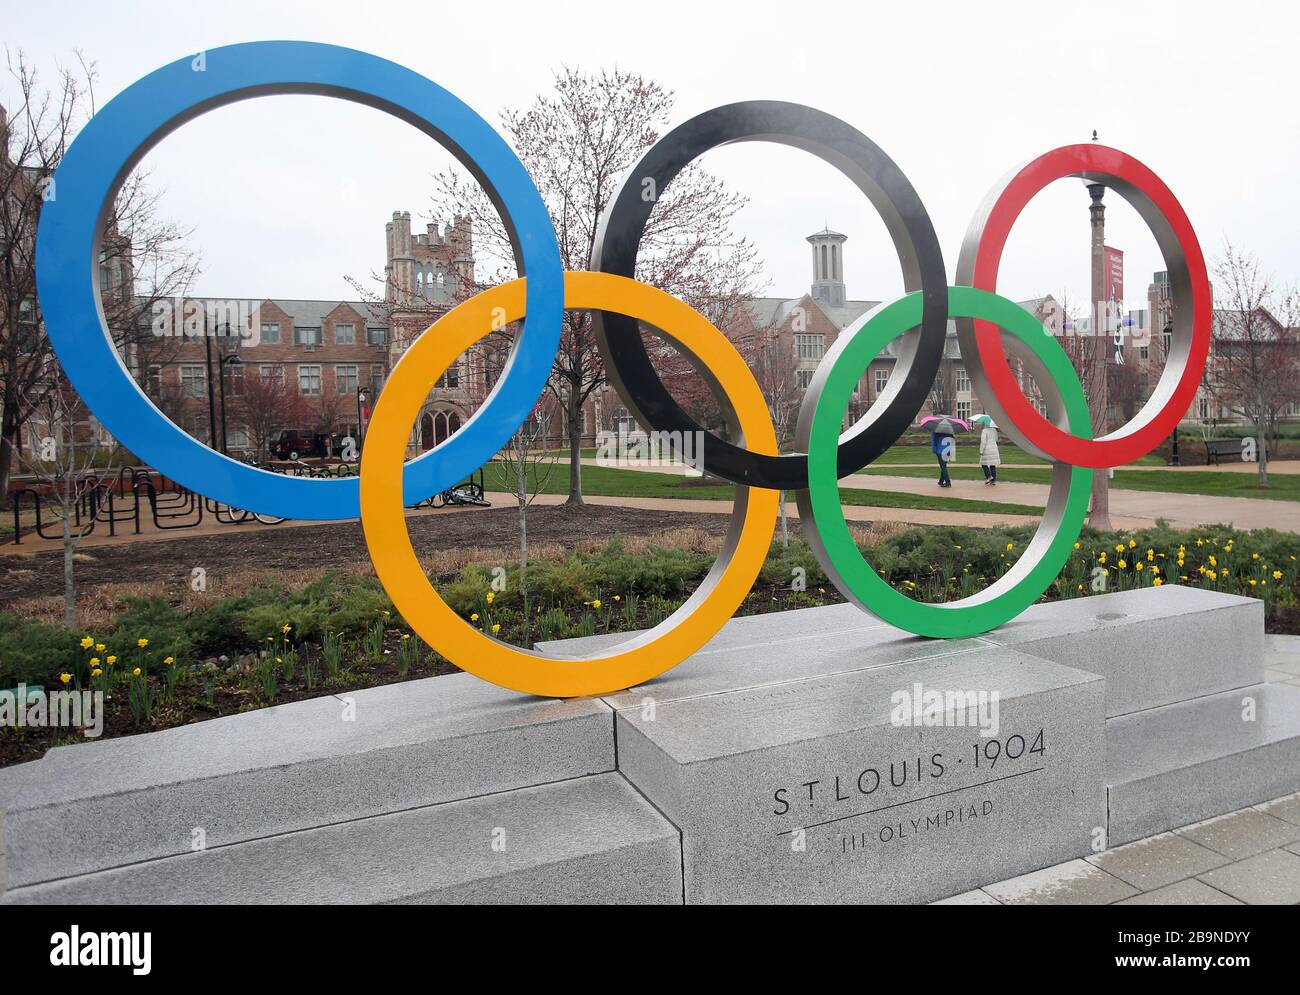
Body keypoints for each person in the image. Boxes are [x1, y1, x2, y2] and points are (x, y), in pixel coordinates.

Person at [930, 419, 955, 488]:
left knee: (943, 467)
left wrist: (934, 450)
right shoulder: (949, 431)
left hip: (940, 450)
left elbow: (933, 440)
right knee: (944, 466)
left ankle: (948, 482)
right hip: (947, 450)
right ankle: (941, 481)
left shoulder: (935, 430)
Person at [980, 419, 1001, 485]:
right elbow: (996, 439)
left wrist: (981, 450)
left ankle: (989, 477)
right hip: (994, 448)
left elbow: (983, 442)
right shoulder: (994, 430)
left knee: (984, 464)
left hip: (987, 449)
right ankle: (993, 480)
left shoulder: (984, 431)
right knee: (992, 464)